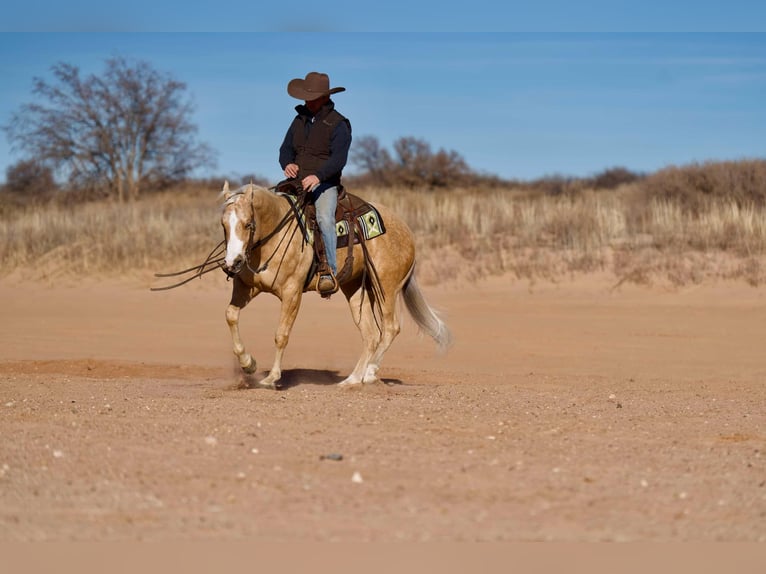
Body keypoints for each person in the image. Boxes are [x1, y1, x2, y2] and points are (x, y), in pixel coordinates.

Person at [279, 71, 352, 296]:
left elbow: (339, 159)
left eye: (310, 97)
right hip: (295, 182)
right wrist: (287, 163)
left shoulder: (339, 124)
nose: (306, 101)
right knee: (268, 209)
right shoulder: (299, 119)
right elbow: (285, 149)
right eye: (305, 97)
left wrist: (318, 177)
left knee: (323, 219)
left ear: (323, 97)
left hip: (324, 184)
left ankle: (329, 271)